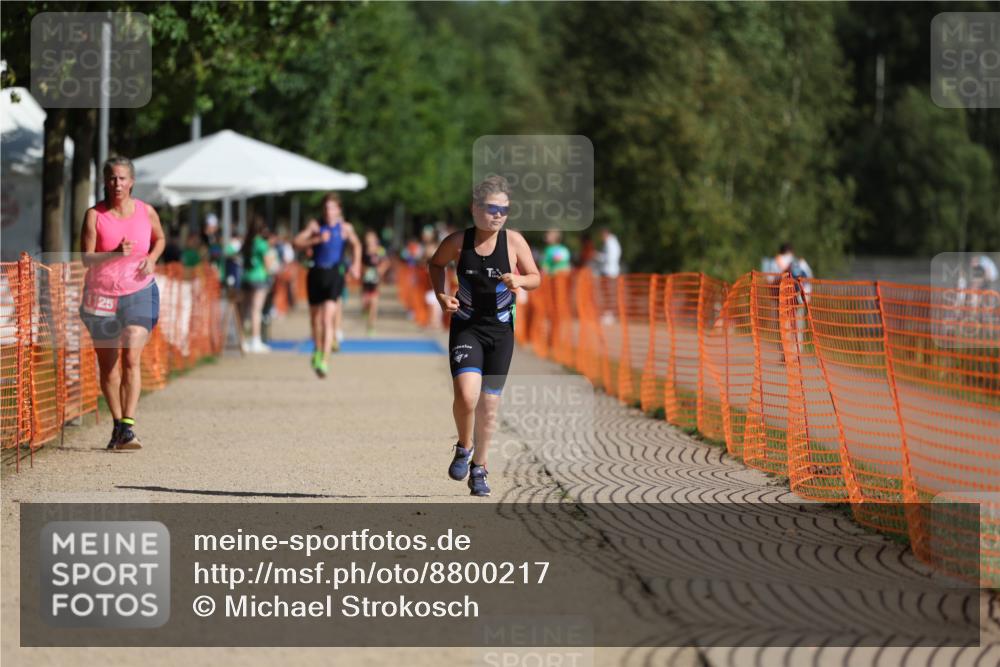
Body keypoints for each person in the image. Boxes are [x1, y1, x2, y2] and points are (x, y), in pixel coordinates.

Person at [428, 175, 541, 497]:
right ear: (474, 209)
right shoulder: (457, 242)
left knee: (489, 406)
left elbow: (536, 277)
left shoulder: (514, 242)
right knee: (467, 396)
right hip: (467, 326)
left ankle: (479, 467)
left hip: (500, 331)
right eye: (492, 208)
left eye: (504, 209)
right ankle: (464, 446)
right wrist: (441, 295)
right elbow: (435, 265)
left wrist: (520, 281)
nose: (498, 215)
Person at [79, 156, 165, 451]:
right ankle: (118, 426)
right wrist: (114, 253)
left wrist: (152, 259)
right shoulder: (95, 216)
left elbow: (160, 238)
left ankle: (128, 425)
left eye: (122, 178)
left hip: (139, 291)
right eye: (112, 178)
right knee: (109, 366)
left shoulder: (146, 211)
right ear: (105, 182)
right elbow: (86, 258)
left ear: (132, 182)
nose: (117, 183)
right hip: (101, 296)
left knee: (131, 353)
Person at [294, 192, 361, 377]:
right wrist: (315, 240)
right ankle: (317, 349)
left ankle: (325, 359)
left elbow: (356, 245)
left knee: (327, 319)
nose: (328, 211)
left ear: (338, 209)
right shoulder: (315, 226)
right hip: (315, 273)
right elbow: (296, 242)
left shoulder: (345, 228)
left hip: (334, 274)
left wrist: (355, 264)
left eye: (332, 208)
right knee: (315, 319)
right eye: (326, 208)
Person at [240, 215, 275, 353]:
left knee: (245, 311)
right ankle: (255, 340)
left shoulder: (247, 242)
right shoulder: (261, 244)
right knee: (256, 311)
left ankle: (242, 340)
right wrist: (269, 275)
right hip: (259, 278)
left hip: (246, 278)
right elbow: (268, 263)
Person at [360, 229, 389, 336]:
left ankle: (371, 326)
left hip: (376, 281)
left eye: (371, 238)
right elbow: (359, 263)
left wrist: (381, 269)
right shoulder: (363, 251)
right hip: (365, 281)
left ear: (375, 239)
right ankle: (365, 310)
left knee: (374, 304)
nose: (370, 240)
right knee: (366, 302)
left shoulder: (380, 250)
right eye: (368, 238)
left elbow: (386, 262)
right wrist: (363, 270)